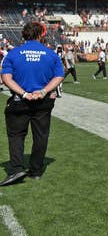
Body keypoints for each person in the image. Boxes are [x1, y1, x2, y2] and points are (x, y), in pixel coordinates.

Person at [0, 22, 64, 186]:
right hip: (43, 102)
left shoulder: (13, 54)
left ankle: (16, 169)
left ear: (23, 35)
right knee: (41, 136)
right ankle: (35, 171)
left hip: (19, 101)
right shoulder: (50, 54)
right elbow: (59, 76)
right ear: (40, 35)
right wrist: (43, 92)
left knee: (16, 136)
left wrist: (24, 93)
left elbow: (6, 78)